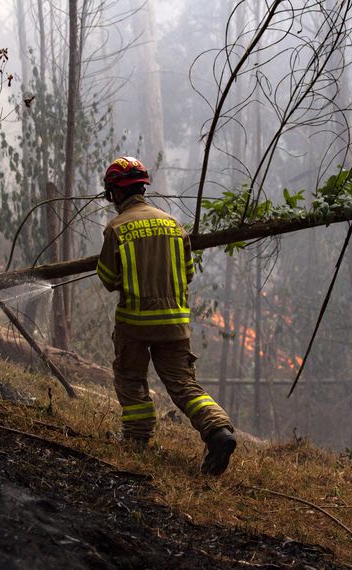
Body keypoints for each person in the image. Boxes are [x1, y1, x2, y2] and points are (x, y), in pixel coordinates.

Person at [95, 156, 237, 476]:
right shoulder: (174, 225)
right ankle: (218, 430)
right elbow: (188, 273)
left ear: (116, 192)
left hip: (135, 321)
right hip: (174, 322)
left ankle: (136, 438)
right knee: (183, 383)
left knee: (130, 377)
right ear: (143, 188)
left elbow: (108, 278)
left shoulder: (116, 228)